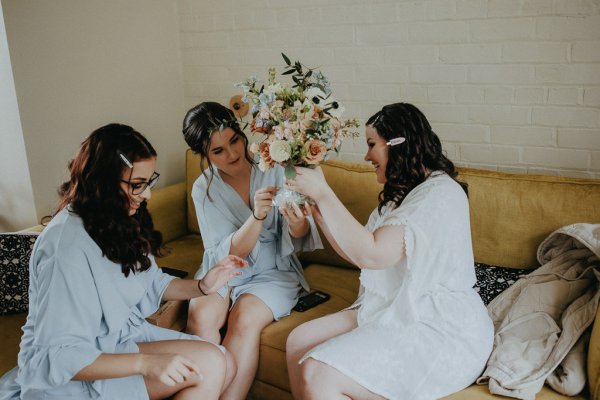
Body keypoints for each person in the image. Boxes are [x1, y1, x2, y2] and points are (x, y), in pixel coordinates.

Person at [0, 124, 246, 400]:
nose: (147, 195)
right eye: (136, 185)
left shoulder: (116, 221)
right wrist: (146, 364)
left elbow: (152, 281)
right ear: (102, 182)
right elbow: (57, 356)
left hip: (118, 341)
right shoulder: (64, 248)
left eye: (147, 182)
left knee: (226, 362)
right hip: (72, 374)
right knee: (209, 366)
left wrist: (203, 286)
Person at [285, 103, 494, 399]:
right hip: (387, 305)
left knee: (319, 370)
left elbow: (373, 254)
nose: (367, 156)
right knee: (299, 341)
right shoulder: (398, 197)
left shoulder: (440, 193)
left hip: (437, 324)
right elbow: (358, 255)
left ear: (398, 144)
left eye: (372, 145)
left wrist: (324, 192)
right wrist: (318, 210)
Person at [182, 102, 322, 400]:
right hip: (225, 267)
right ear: (203, 155)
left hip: (273, 271)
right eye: (217, 151)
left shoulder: (274, 167)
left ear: (242, 132)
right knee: (201, 314)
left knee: (244, 320)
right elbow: (229, 254)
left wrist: (297, 223)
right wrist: (256, 217)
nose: (232, 154)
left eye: (234, 140)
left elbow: (301, 235)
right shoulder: (202, 188)